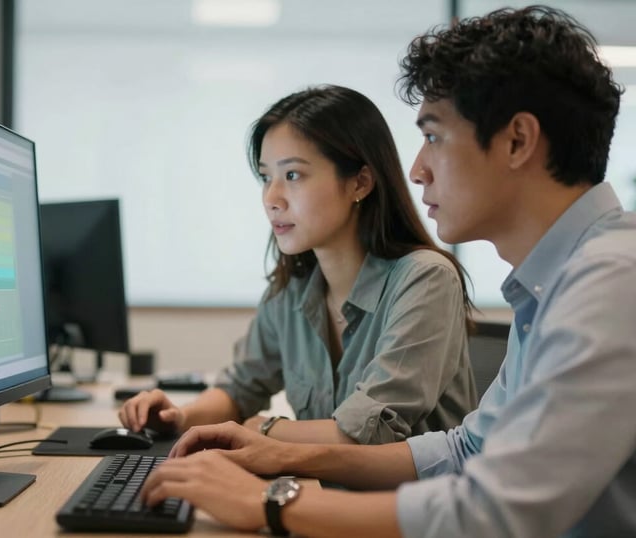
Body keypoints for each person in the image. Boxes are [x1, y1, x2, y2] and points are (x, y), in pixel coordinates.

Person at [138, 6, 636, 537]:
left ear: (517, 141)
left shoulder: (612, 283)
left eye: (434, 137)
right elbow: (467, 449)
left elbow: (494, 510)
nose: (417, 170)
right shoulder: (552, 285)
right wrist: (278, 452)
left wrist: (270, 501)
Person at [119, 85, 477, 445]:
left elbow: (370, 433)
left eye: (292, 175)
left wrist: (263, 429)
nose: (271, 198)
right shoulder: (292, 290)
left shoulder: (425, 279)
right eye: (266, 177)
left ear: (360, 182)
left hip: (415, 486)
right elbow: (240, 389)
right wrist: (180, 418)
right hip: (316, 481)